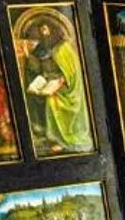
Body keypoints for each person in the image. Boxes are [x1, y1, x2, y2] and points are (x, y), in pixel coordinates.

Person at [21, 16, 89, 155]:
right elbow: (36, 68)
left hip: (66, 88)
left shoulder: (63, 48)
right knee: (32, 97)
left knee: (52, 103)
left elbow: (71, 72)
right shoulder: (43, 47)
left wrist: (61, 81)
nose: (44, 33)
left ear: (52, 29)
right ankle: (41, 132)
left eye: (45, 29)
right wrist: (28, 55)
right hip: (49, 82)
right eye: (41, 31)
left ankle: (60, 139)